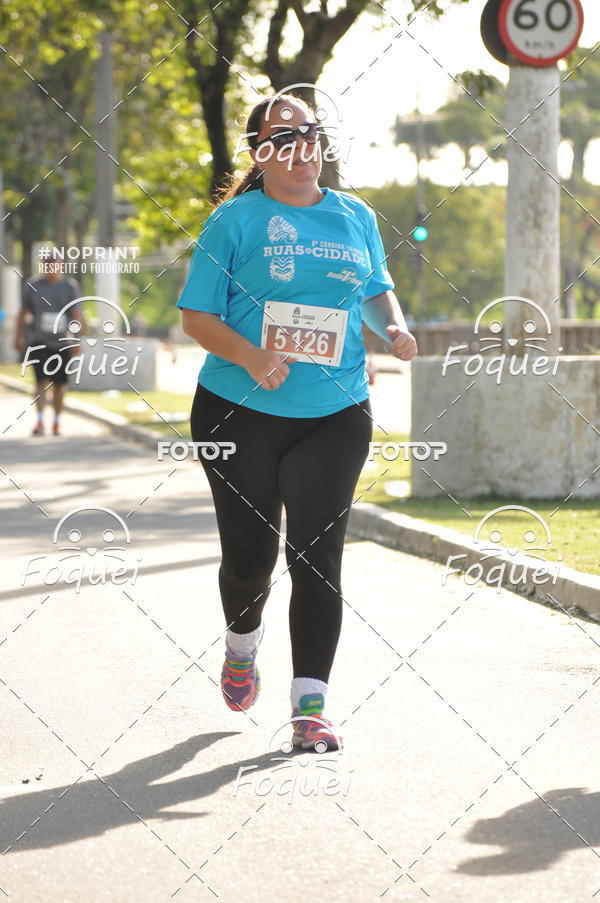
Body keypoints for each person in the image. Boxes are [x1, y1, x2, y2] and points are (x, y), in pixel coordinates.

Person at [177, 93, 417, 751]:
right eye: (284, 135)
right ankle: (240, 644)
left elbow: (374, 288)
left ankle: (310, 708)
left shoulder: (355, 215)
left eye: (311, 132)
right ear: (261, 152)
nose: (302, 145)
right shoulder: (235, 221)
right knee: (249, 561)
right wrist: (252, 355)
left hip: (335, 413)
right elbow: (196, 315)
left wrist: (392, 325)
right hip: (238, 409)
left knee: (317, 558)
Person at [15, 251, 83, 436]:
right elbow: (22, 313)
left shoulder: (70, 287)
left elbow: (75, 315)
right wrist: (18, 337)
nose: (50, 267)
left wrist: (77, 340)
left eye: (54, 263)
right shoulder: (32, 286)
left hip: (62, 343)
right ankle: (40, 421)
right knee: (40, 382)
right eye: (47, 263)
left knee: (59, 384)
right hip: (39, 341)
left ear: (61, 264)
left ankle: (57, 422)